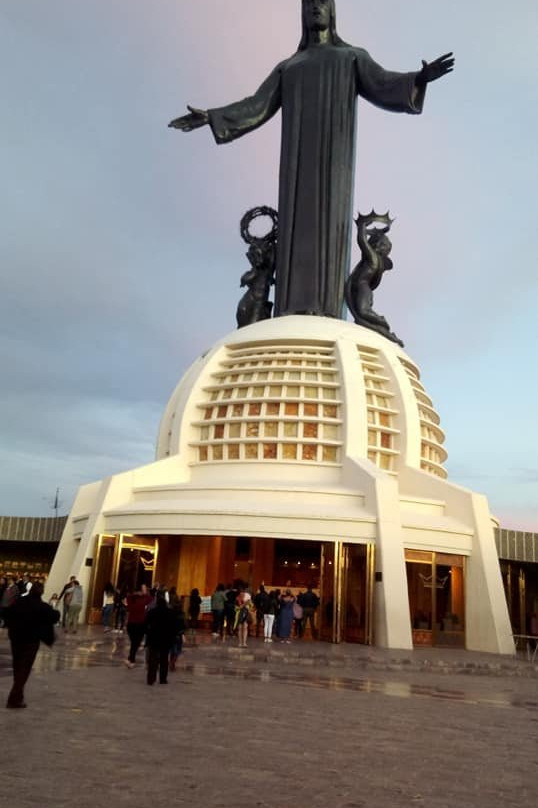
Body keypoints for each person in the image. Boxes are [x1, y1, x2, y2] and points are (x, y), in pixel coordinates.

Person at [169, 0, 453, 319]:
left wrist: (419, 78)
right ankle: (290, 309)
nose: (315, 8)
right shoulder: (289, 67)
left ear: (332, 12)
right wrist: (212, 116)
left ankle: (328, 309)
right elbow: (257, 105)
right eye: (309, 4)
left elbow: (383, 83)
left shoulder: (351, 57)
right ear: (303, 14)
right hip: (296, 162)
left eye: (322, 3)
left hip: (334, 158)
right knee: (297, 223)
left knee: (330, 220)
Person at [3, 581, 60, 708]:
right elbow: (55, 616)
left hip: (16, 639)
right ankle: (14, 698)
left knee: (18, 667)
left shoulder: (19, 602)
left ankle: (18, 697)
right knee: (24, 669)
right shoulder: (41, 606)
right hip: (31, 641)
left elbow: (6, 612)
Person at [144, 594, 178, 685]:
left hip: (154, 638)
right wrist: (173, 637)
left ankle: (151, 678)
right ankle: (163, 679)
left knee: (153, 659)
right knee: (164, 659)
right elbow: (174, 627)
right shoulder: (170, 613)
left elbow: (145, 624)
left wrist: (148, 634)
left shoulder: (152, 612)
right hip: (166, 639)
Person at [124, 584, 152, 668]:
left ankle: (131, 660)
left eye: (145, 589)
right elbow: (128, 606)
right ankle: (131, 659)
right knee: (135, 642)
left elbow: (151, 600)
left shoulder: (145, 598)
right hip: (133, 623)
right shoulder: (134, 598)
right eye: (143, 589)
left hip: (140, 623)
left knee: (135, 642)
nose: (145, 590)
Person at [168, 588, 186, 671]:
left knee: (172, 649)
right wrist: (183, 633)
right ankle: (173, 661)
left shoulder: (171, 614)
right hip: (179, 634)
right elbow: (184, 625)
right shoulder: (182, 615)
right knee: (178, 649)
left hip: (171, 633)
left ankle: (172, 660)